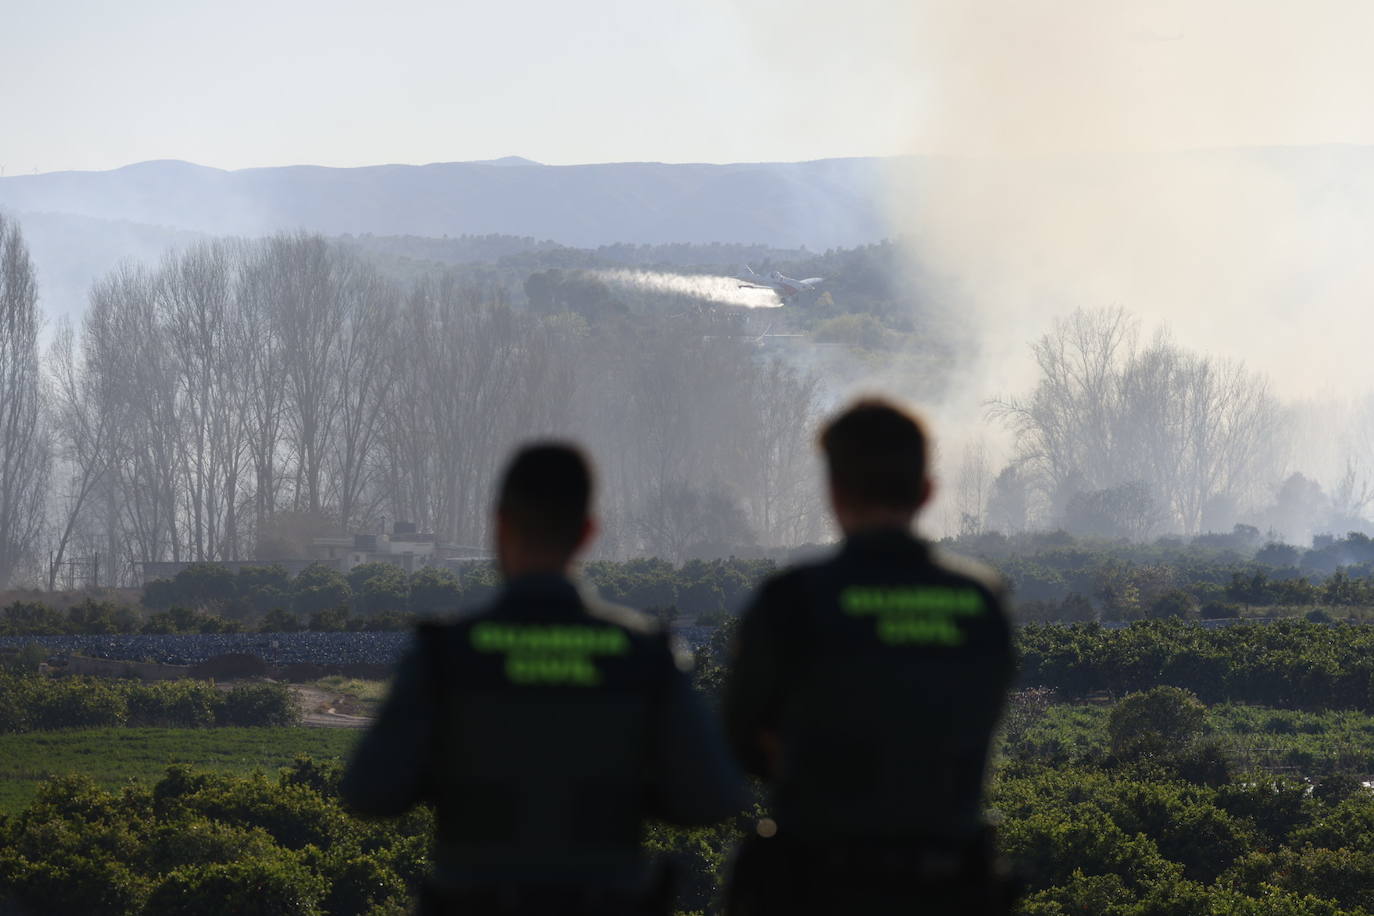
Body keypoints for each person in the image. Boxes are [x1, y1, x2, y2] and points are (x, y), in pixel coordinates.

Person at [341, 442, 744, 915]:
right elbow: (713, 798)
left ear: (500, 525)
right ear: (589, 531)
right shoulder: (645, 654)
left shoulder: (446, 653)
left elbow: (369, 792)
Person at [723, 398, 1017, 915]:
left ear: (833, 493)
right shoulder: (981, 599)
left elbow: (741, 739)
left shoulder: (791, 598)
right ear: (927, 491)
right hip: (949, 887)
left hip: (815, 887)